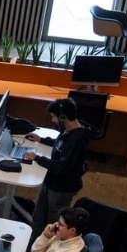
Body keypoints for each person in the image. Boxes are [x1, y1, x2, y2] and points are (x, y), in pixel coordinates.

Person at [22, 98, 92, 243]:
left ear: (62, 117)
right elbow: (60, 144)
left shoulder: (76, 140)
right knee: (39, 217)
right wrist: (42, 140)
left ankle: (47, 250)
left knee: (54, 224)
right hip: (51, 182)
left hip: (61, 188)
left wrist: (37, 158)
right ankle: (34, 245)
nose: (53, 120)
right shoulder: (68, 131)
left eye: (54, 117)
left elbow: (62, 168)